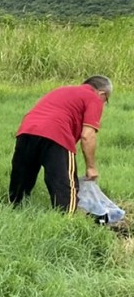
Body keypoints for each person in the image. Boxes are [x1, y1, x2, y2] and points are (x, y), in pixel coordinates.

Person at [9, 75, 112, 212]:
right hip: (56, 135)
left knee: (21, 179)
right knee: (64, 186)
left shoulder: (63, 90)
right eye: (106, 100)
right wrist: (91, 167)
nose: (104, 103)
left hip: (27, 131)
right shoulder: (93, 97)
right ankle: (66, 222)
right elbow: (88, 135)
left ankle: (14, 209)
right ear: (102, 93)